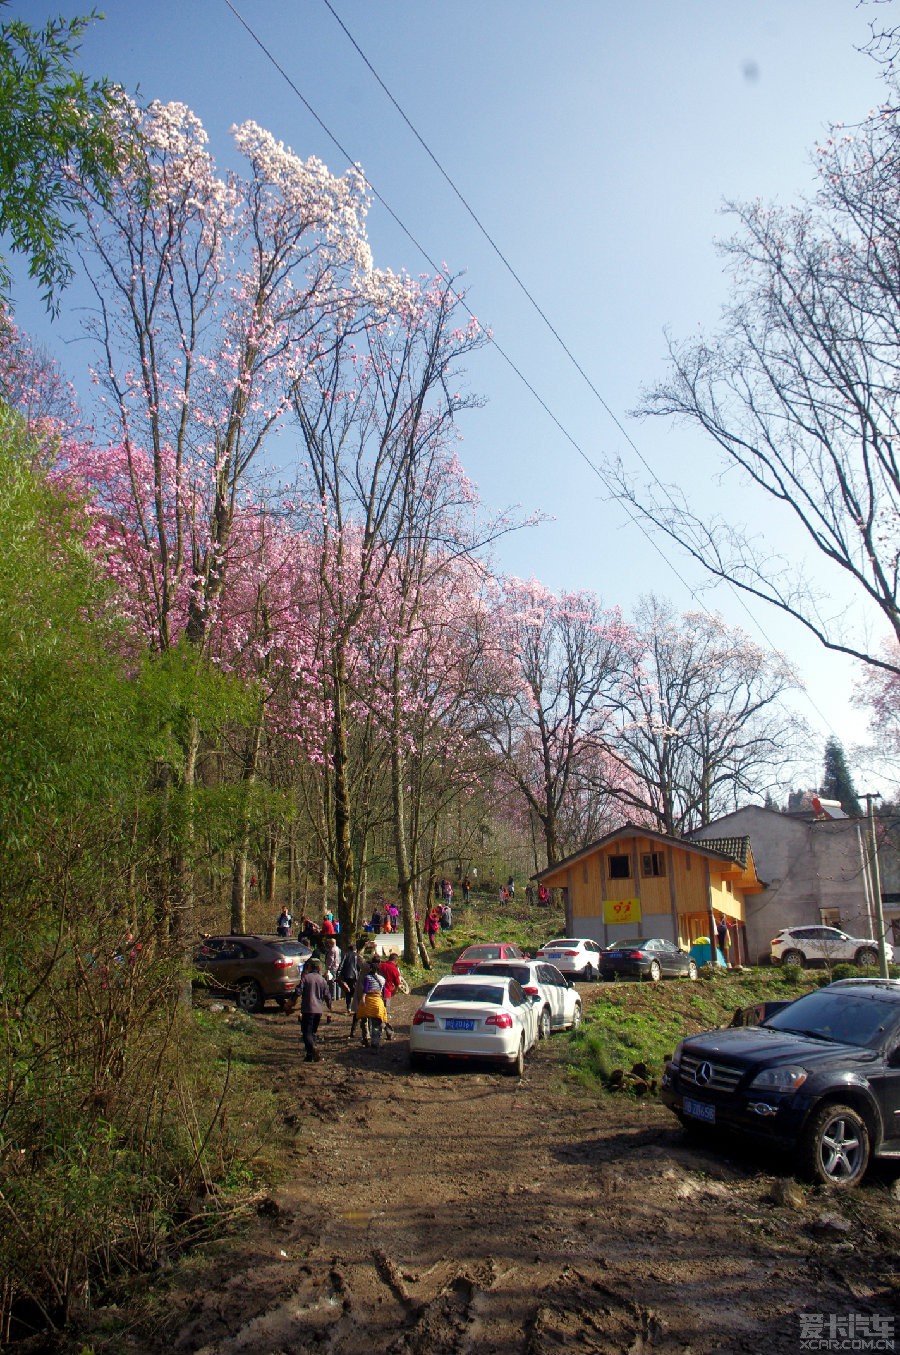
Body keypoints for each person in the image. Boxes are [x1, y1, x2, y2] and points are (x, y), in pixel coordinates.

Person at [298, 959, 332, 1062]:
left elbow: (298, 991)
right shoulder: (322, 980)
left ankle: (313, 1048)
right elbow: (327, 995)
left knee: (306, 1032)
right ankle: (309, 1056)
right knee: (312, 1032)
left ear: (310, 968)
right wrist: (330, 1005)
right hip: (318, 1010)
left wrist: (291, 1002)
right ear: (318, 969)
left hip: (308, 1009)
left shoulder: (306, 978)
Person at [355, 968, 388, 1051]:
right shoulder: (382, 979)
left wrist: (362, 998)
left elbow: (365, 990)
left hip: (367, 1002)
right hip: (378, 1003)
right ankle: (375, 1043)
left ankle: (365, 1038)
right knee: (376, 1024)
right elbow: (383, 993)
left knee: (364, 1020)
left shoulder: (367, 977)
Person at [337, 941, 360, 1014]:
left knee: (348, 992)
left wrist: (339, 974)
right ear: (355, 949)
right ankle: (356, 1008)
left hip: (346, 975)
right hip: (355, 976)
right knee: (355, 992)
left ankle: (349, 1008)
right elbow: (359, 966)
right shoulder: (357, 955)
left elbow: (341, 965)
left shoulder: (346, 955)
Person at [322, 935, 342, 1002]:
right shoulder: (338, 949)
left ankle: (333, 996)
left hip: (332, 968)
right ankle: (338, 996)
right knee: (337, 982)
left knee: (332, 982)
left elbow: (330, 960)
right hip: (338, 966)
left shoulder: (332, 950)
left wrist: (327, 969)